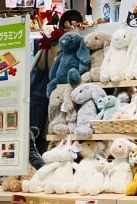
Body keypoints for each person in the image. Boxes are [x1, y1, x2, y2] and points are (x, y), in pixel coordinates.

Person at [29, 9, 85, 155]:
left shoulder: (50, 44)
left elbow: (42, 66)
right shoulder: (71, 46)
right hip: (63, 102)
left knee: (44, 145)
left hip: (46, 101)